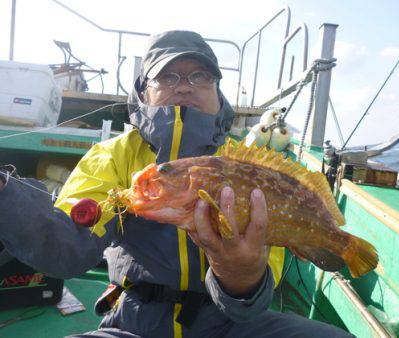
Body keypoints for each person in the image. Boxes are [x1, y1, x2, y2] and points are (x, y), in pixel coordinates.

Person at [0, 30, 353, 338]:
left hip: (234, 325)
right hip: (133, 323)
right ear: (143, 92)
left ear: (217, 91)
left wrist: (241, 275)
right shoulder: (113, 157)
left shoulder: (246, 167)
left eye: (200, 76)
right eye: (166, 77)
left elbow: (250, 304)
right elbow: (68, 248)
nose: (184, 85)